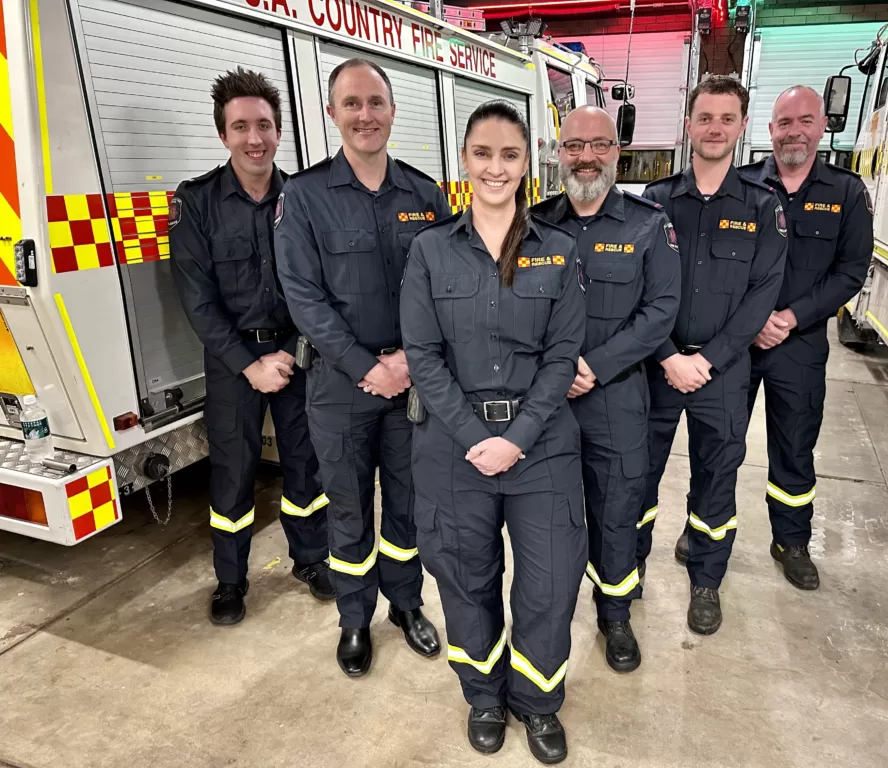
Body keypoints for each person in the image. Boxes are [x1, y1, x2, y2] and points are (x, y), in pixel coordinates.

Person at [401, 100, 586, 764]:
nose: (496, 167)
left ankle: (537, 703)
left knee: (550, 581)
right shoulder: (428, 251)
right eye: (484, 153)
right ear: (465, 162)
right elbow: (420, 355)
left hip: (540, 450)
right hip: (454, 450)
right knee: (464, 577)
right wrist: (474, 435)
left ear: (525, 165)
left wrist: (518, 436)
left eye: (510, 155)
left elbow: (563, 357)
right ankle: (484, 695)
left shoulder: (558, 253)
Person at [273, 59, 449, 676]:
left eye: (376, 102)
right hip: (341, 386)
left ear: (394, 111)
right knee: (347, 506)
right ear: (332, 114)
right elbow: (303, 296)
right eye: (352, 104)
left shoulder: (425, 194)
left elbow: (443, 288)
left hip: (413, 386)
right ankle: (354, 619)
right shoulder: (304, 195)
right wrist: (365, 367)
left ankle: (405, 604)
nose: (365, 115)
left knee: (408, 503)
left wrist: (408, 360)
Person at [170, 67, 333, 625]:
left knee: (306, 467)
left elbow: (320, 288)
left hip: (298, 356)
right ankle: (231, 581)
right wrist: (248, 363)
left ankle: (311, 560)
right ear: (223, 135)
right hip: (232, 362)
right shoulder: (196, 204)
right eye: (240, 126)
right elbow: (198, 300)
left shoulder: (307, 200)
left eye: (264, 124)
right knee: (233, 471)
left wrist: (287, 351)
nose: (254, 137)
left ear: (279, 132)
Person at [531, 106, 680, 673]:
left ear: (617, 151)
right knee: (549, 516)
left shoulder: (648, 224)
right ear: (558, 152)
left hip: (616, 399)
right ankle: (549, 611)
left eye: (598, 144)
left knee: (617, 511)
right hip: (546, 404)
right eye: (574, 146)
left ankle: (615, 614)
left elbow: (661, 310)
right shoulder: (537, 223)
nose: (586, 156)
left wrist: (593, 365)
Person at [637, 75, 787, 635]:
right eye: (706, 117)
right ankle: (628, 574)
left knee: (716, 481)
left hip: (722, 373)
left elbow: (762, 294)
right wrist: (668, 354)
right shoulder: (655, 202)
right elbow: (636, 289)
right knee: (637, 478)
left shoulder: (762, 207)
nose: (715, 128)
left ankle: (705, 581)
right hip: (656, 368)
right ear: (689, 124)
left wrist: (709, 359)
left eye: (727, 118)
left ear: (742, 126)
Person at [738, 85, 873, 590]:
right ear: (769, 130)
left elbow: (851, 271)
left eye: (805, 120)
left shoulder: (846, 192)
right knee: (720, 444)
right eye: (784, 122)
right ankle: (704, 530)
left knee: (794, 447)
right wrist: (751, 321)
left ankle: (791, 541)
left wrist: (790, 318)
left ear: (822, 126)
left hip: (800, 346)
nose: (794, 131)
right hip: (739, 343)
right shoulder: (743, 185)